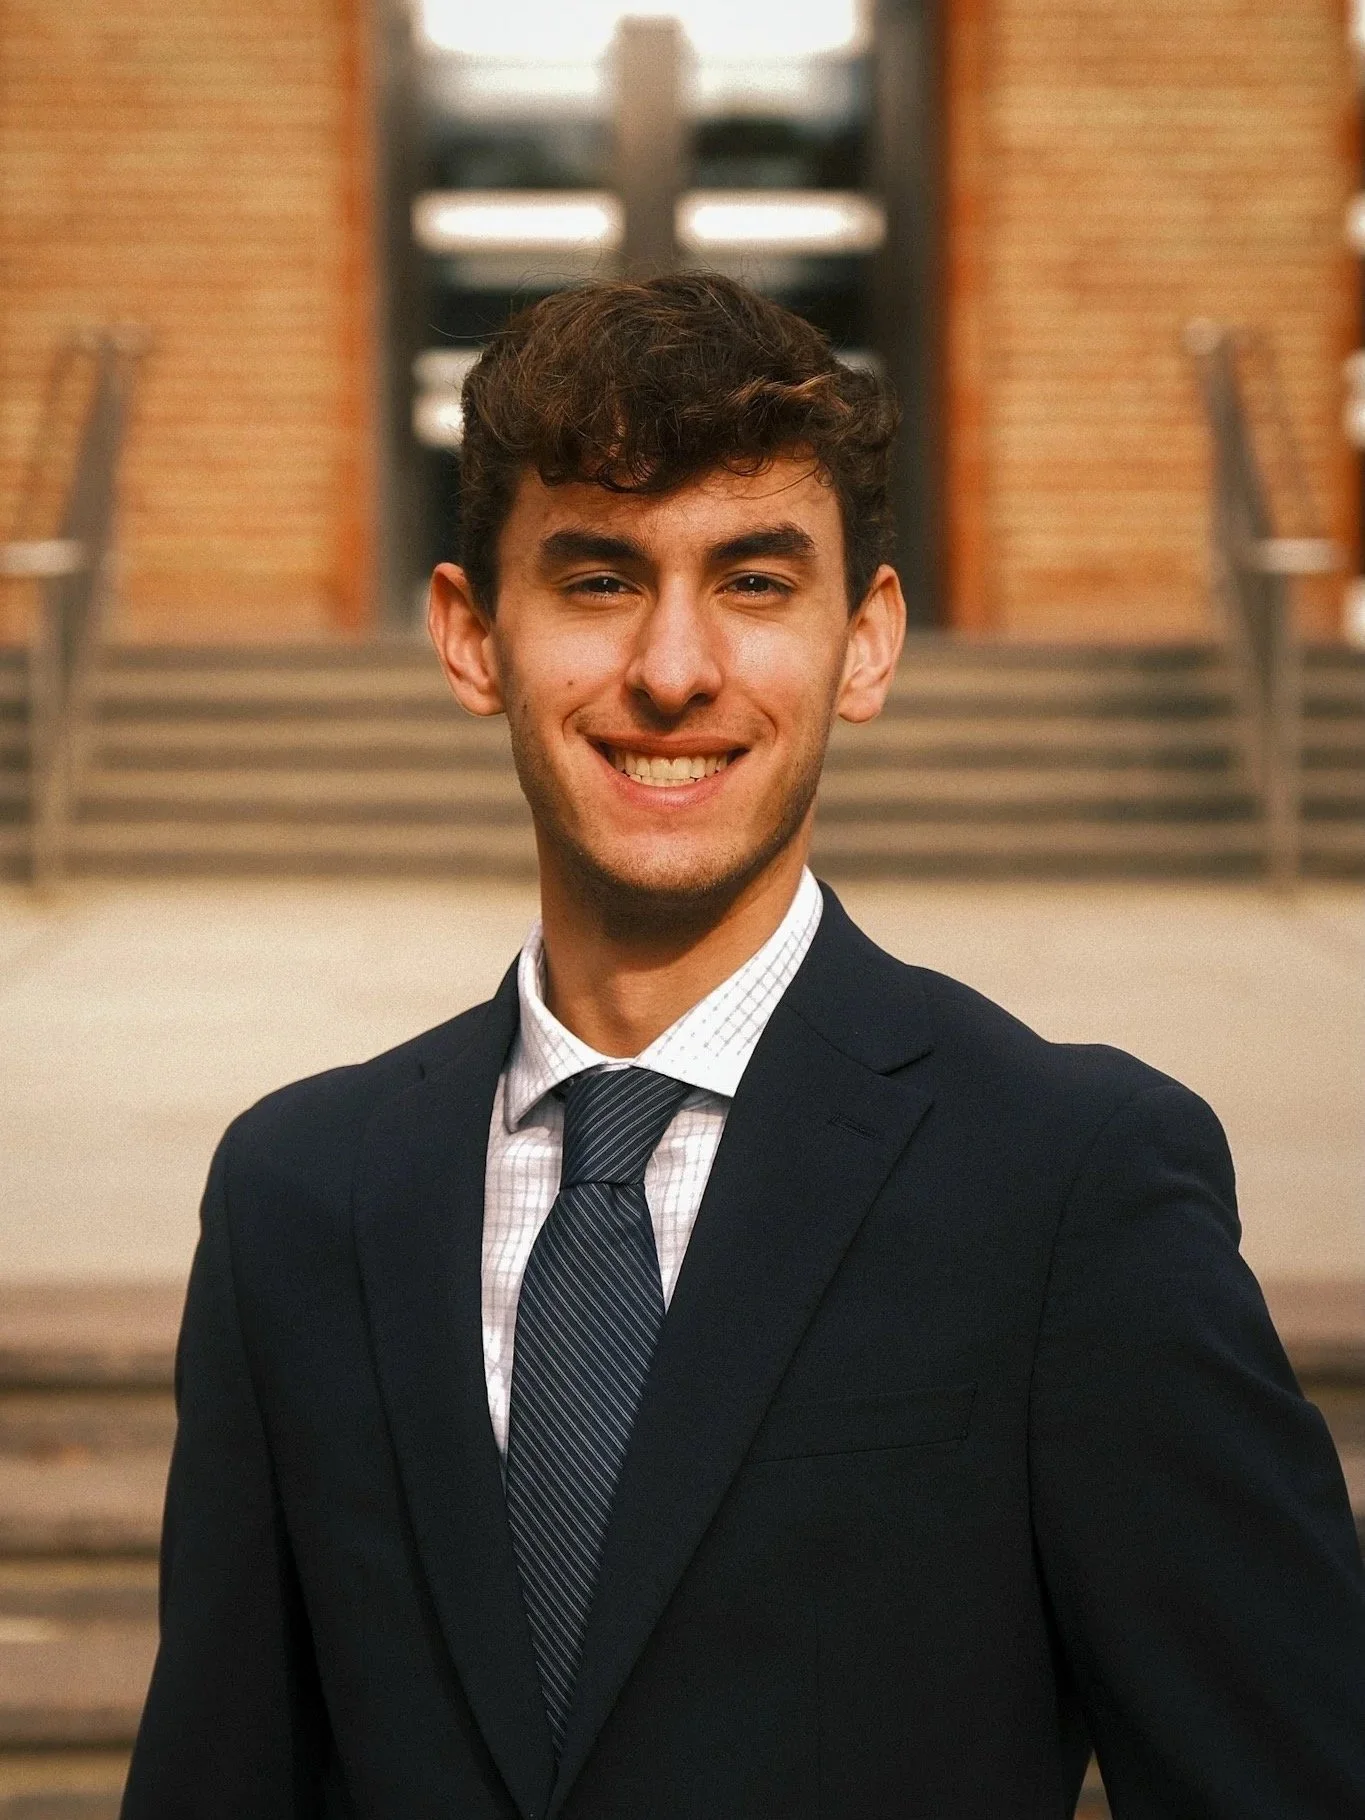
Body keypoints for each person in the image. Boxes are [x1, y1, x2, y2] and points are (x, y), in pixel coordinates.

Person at [122, 274, 1365, 1820]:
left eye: (758, 584)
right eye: (596, 581)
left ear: (867, 641)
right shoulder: (297, 1197)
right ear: (469, 638)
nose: (673, 668)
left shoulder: (1068, 1184)